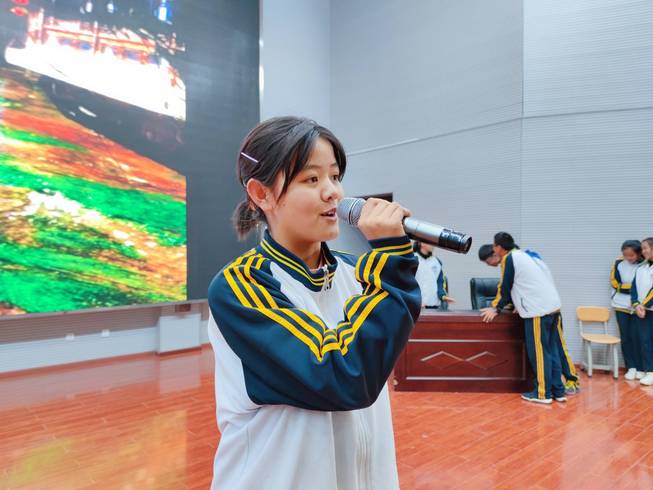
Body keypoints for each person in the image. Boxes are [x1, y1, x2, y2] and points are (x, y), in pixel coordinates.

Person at [206, 116, 421, 489]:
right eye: (311, 179)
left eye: (335, 176)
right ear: (261, 194)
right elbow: (342, 375)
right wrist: (391, 262)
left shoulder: (357, 274)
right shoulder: (241, 286)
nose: (333, 192)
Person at [478, 233, 570, 404]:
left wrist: (496, 308)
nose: (493, 249)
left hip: (538, 311)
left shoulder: (509, 258)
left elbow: (506, 286)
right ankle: (558, 391)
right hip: (552, 307)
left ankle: (542, 394)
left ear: (499, 247)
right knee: (551, 351)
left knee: (539, 353)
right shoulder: (526, 255)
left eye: (494, 246)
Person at [611, 240, 645, 380]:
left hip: (639, 306)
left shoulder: (645, 264)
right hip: (620, 305)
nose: (628, 258)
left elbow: (644, 285)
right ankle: (630, 367)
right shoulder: (618, 263)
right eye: (625, 255)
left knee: (639, 337)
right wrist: (631, 288)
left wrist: (630, 288)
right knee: (626, 337)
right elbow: (614, 283)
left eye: (631, 255)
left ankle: (641, 368)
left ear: (639, 253)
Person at [631, 237, 653, 386]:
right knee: (644, 341)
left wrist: (643, 305)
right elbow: (634, 288)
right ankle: (648, 371)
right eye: (642, 248)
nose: (643, 251)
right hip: (641, 311)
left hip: (648, 309)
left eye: (646, 248)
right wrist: (636, 304)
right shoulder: (640, 268)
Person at [413, 240, 455, 309]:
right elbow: (407, 283)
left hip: (434, 305)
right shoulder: (412, 259)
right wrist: (414, 300)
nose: (433, 245)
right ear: (422, 243)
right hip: (416, 305)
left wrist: (443, 296)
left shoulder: (437, 262)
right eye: (430, 242)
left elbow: (440, 282)